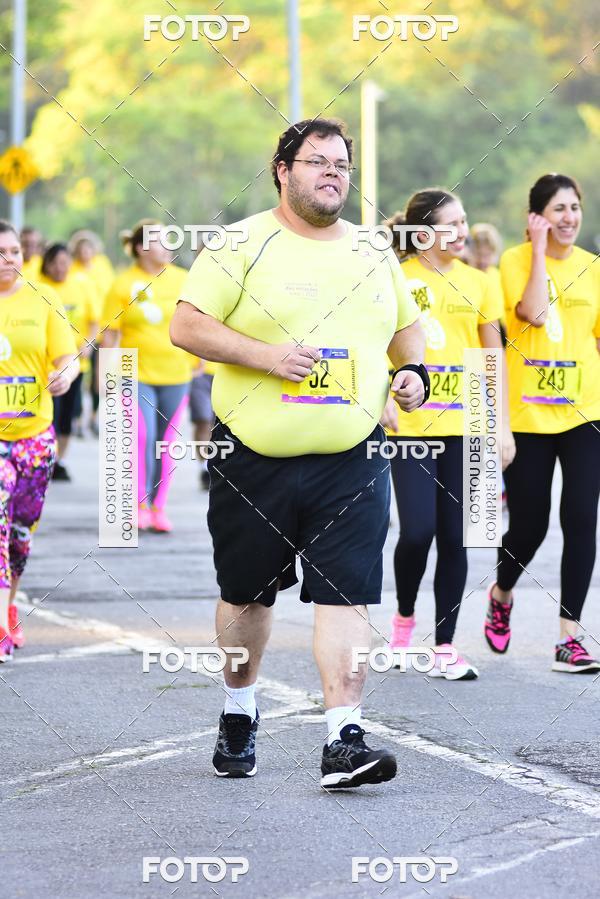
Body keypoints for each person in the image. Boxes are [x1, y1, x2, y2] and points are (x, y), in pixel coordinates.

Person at [171, 117, 426, 788]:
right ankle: (239, 703)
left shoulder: (373, 250)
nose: (333, 172)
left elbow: (406, 326)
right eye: (317, 162)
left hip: (352, 454)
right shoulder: (240, 243)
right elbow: (186, 324)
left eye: (341, 163)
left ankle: (343, 737)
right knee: (247, 598)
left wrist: (414, 372)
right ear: (283, 169)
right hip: (253, 454)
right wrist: (267, 357)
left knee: (347, 595)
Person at [383, 191, 513, 681]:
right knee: (417, 532)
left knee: (457, 537)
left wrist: (500, 424)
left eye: (464, 221)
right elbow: (376, 341)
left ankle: (443, 646)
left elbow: (492, 357)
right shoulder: (397, 277)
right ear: (422, 232)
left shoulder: (481, 282)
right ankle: (402, 623)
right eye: (451, 224)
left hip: (468, 426)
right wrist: (380, 400)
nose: (462, 231)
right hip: (412, 427)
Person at [484, 173, 600, 672]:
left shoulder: (593, 267)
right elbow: (531, 313)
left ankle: (568, 637)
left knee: (581, 520)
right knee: (529, 526)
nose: (569, 218)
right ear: (536, 217)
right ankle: (502, 591)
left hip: (585, 414)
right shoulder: (512, 262)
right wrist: (535, 250)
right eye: (558, 209)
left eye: (574, 207)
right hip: (528, 417)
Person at [0, 221, 78, 661]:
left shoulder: (44, 299)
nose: (10, 258)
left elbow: (67, 359)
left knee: (20, 533)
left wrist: (64, 376)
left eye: (15, 250)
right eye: (1, 251)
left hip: (34, 435)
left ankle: (10, 604)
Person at [101, 221, 192, 533]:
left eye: (168, 238)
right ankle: (138, 504)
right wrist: (105, 376)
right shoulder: (122, 283)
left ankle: (158, 507)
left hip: (178, 373)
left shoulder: (184, 280)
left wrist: (202, 361)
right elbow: (110, 335)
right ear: (141, 248)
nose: (167, 244)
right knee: (141, 437)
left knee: (166, 443)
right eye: (159, 240)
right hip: (133, 372)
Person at [38, 244, 98, 480]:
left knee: (67, 417)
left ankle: (59, 461)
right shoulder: (38, 286)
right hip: (45, 367)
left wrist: (88, 343)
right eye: (56, 263)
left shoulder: (81, 285)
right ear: (47, 264)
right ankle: (43, 458)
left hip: (75, 365)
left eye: (65, 262)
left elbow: (94, 321)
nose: (60, 268)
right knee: (50, 416)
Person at [69, 230, 115, 434]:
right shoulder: (72, 268)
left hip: (103, 327)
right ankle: (77, 417)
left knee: (100, 375)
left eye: (89, 248)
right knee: (78, 374)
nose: (86, 252)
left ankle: (95, 415)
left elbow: (112, 292)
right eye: (81, 249)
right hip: (81, 329)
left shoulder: (102, 265)